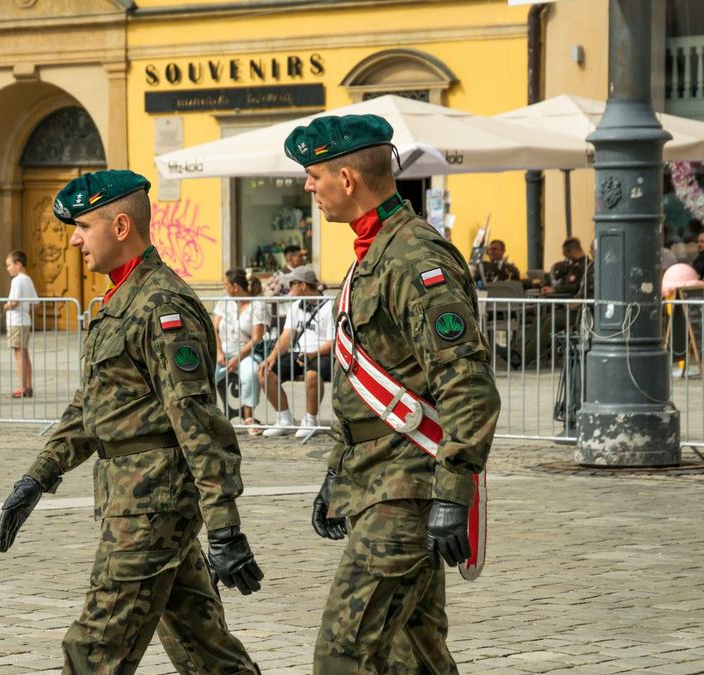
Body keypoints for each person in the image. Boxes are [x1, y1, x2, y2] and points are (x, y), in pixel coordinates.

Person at [0, 169, 262, 673]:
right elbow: (93, 405)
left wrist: (225, 528)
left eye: (83, 227)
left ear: (121, 227)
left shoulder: (162, 306)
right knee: (206, 651)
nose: (74, 240)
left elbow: (199, 425)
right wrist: (38, 475)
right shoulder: (123, 299)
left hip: (151, 508)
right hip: (137, 501)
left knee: (93, 651)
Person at [283, 114, 498, 672]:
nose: (309, 186)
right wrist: (337, 473)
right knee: (415, 658)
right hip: (376, 480)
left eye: (314, 175)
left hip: (408, 489)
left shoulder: (413, 258)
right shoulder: (372, 253)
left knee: (342, 656)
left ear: (347, 179)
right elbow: (366, 384)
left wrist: (454, 494)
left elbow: (468, 387)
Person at [257, 265, 333, 439]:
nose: (289, 288)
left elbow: (333, 342)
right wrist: (272, 357)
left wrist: (312, 355)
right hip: (299, 353)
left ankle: (310, 420)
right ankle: (284, 419)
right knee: (264, 372)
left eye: (292, 284)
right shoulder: (296, 306)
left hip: (323, 353)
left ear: (303, 285)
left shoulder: (330, 306)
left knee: (312, 374)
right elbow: (286, 337)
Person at [212, 267, 269, 434]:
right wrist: (219, 352)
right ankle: (210, 417)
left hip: (247, 352)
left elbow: (257, 337)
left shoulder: (257, 305)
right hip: (222, 352)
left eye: (226, 285)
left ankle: (248, 417)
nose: (225, 288)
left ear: (235, 287)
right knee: (206, 374)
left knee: (250, 372)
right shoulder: (224, 302)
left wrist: (237, 358)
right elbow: (214, 329)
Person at [3, 249, 37, 398]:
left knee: (19, 354)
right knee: (24, 353)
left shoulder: (17, 280)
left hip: (16, 321)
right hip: (25, 320)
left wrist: (6, 306)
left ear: (18, 264)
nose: (7, 268)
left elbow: (14, 301)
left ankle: (22, 387)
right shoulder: (28, 279)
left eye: (9, 265)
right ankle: (28, 386)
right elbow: (35, 302)